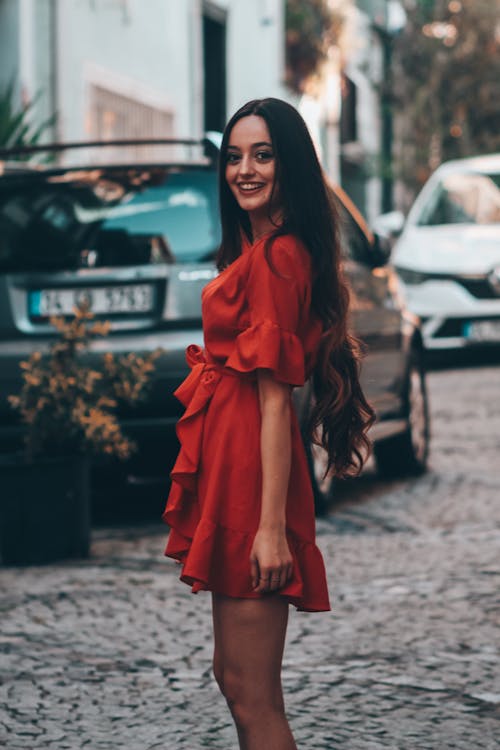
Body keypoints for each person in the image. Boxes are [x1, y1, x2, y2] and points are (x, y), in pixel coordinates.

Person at [162, 97, 375, 750]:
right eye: (234, 157)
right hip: (235, 471)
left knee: (254, 696)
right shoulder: (262, 249)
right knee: (232, 677)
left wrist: (272, 530)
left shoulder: (281, 257)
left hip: (255, 480)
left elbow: (279, 400)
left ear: (291, 166)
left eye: (262, 155)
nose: (244, 170)